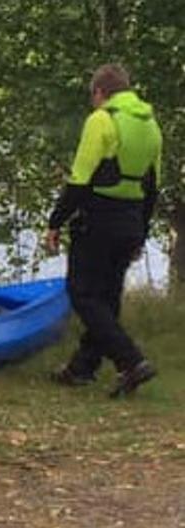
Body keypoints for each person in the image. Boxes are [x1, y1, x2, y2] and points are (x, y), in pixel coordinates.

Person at [44, 63, 162, 398]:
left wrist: (55, 222)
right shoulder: (150, 124)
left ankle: (131, 360)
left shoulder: (102, 120)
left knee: (82, 293)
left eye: (92, 97)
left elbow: (80, 179)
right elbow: (152, 187)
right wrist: (141, 232)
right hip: (130, 219)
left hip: (97, 218)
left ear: (99, 92)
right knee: (107, 297)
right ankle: (82, 368)